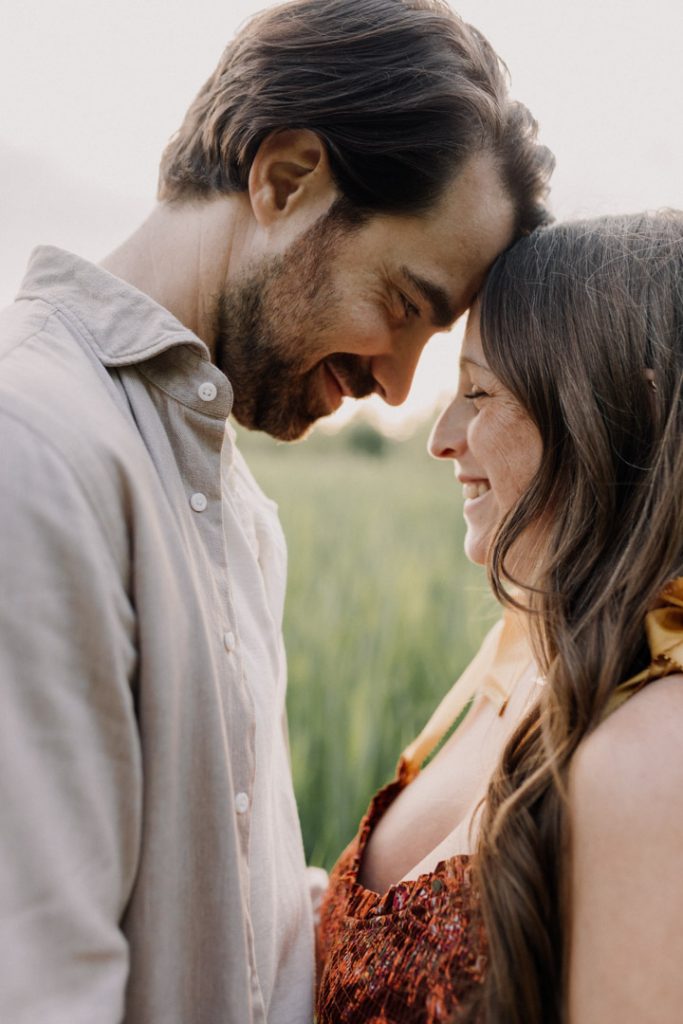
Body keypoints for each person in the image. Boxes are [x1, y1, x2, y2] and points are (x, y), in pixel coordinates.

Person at [0, 1, 553, 1022]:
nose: (397, 387)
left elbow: (231, 939)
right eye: (402, 302)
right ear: (285, 178)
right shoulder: (36, 455)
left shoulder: (241, 513)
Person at [316, 209, 683, 1023]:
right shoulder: (513, 651)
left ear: (622, 413)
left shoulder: (658, 756)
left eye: (478, 392)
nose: (440, 438)